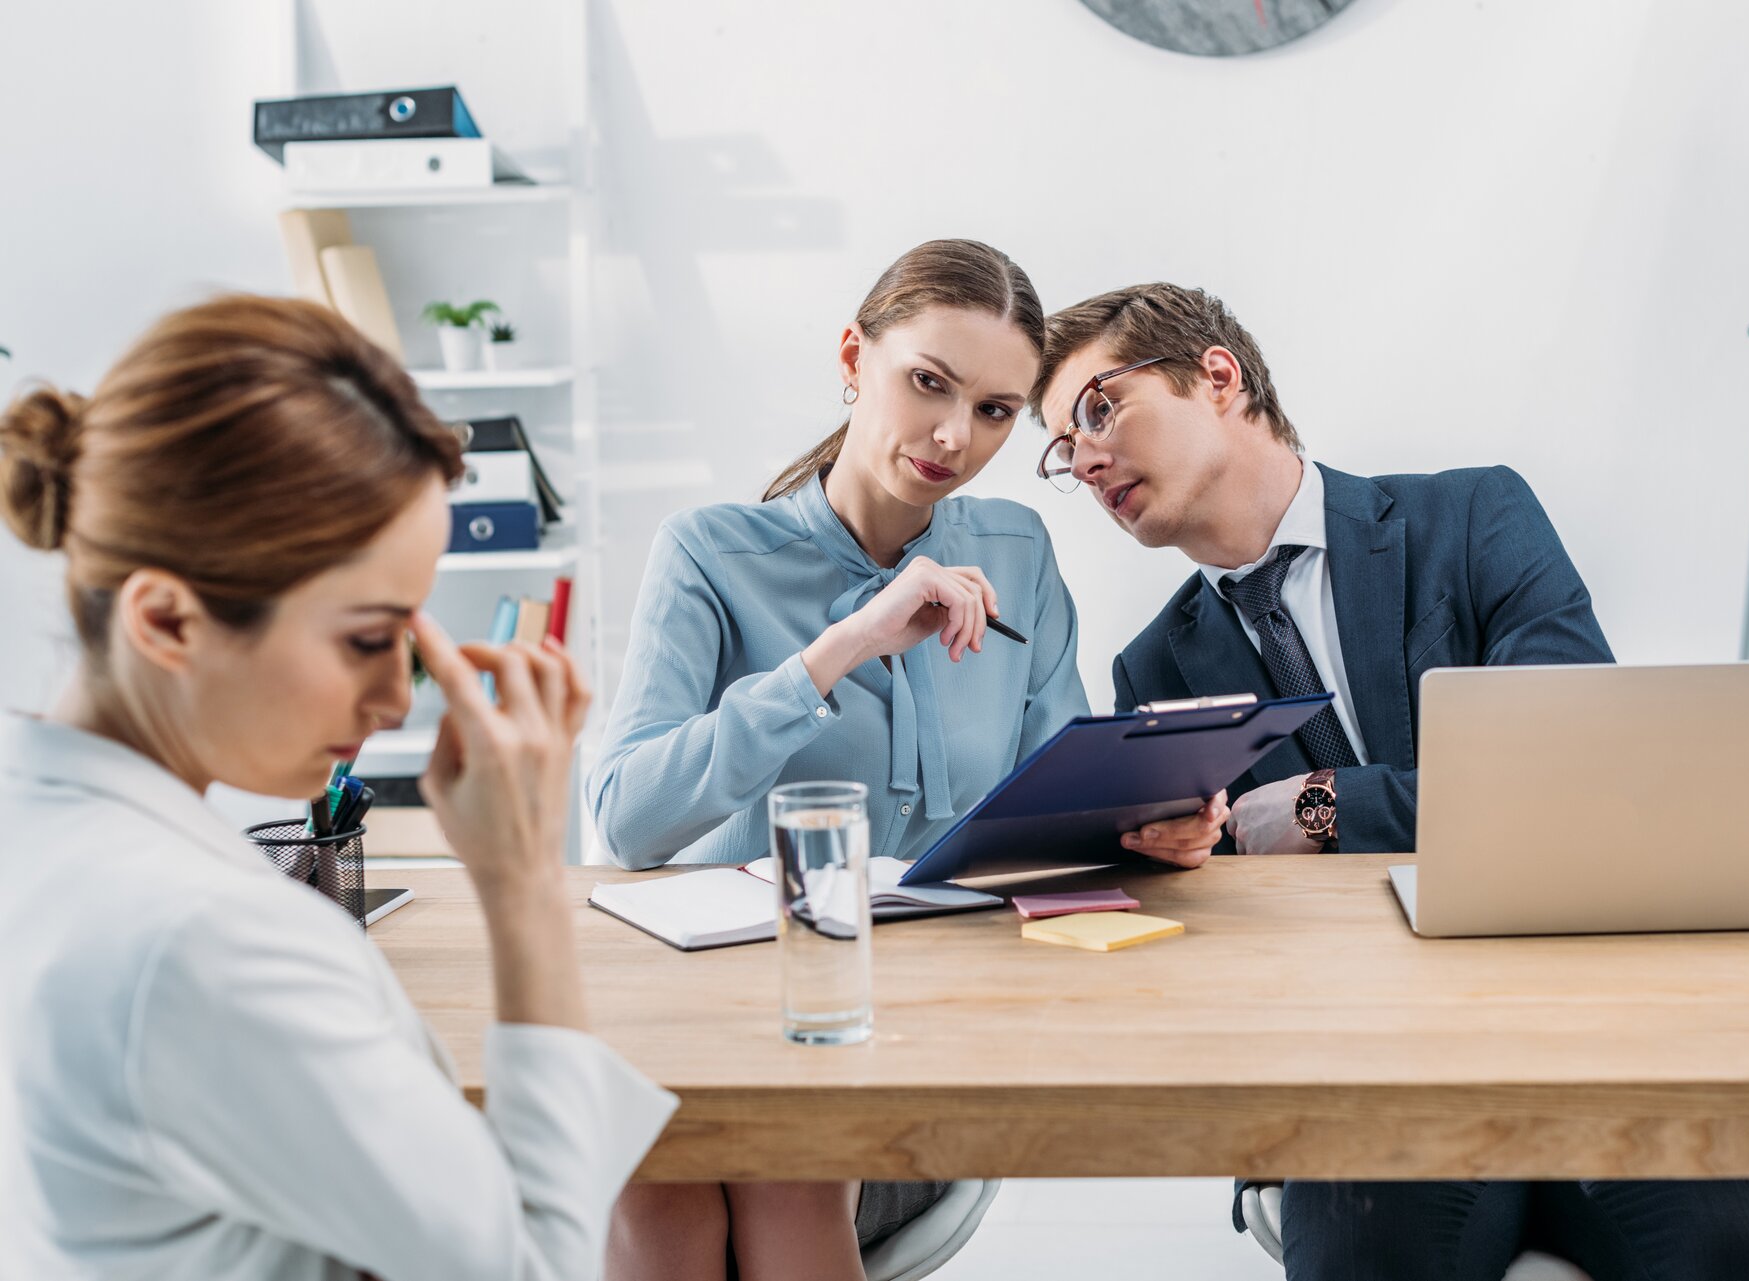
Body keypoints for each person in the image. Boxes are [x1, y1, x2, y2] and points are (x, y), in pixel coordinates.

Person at [1028, 281, 1749, 1280]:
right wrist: (1178, 864)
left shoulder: (1475, 515)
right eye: (1062, 447)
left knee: (1735, 1249)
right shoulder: (1153, 670)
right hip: (1364, 1072)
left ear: (1216, 378)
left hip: (1601, 1040)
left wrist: (1323, 807)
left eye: (1099, 407)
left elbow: (1574, 773)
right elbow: (1211, 943)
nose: (1085, 458)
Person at [0, 295, 676, 1280]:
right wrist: (525, 877)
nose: (398, 700)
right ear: (167, 621)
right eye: (366, 639)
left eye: (408, 639)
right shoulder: (203, 943)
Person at [591, 241, 1226, 1280]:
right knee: (661, 1166)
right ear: (854, 357)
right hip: (725, 1019)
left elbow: (1049, 814)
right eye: (927, 383)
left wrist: (1139, 826)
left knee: (777, 1155)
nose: (950, 437)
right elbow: (625, 821)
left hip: (916, 1039)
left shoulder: (1016, 550)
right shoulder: (709, 553)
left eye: (993, 412)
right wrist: (838, 651)